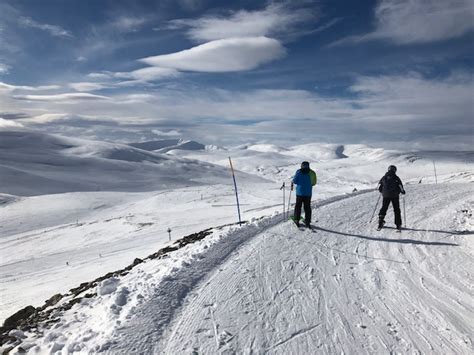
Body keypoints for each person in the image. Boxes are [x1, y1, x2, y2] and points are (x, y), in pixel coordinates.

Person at [378, 165, 405, 231]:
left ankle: (380, 222)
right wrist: (403, 192)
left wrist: (382, 192)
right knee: (396, 209)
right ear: (395, 170)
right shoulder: (396, 177)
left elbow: (379, 187)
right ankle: (398, 224)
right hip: (395, 196)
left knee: (384, 208)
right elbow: (400, 186)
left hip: (386, 195)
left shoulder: (384, 177)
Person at [291, 161, 317, 227]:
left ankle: (297, 220)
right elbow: (314, 183)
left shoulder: (298, 172)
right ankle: (307, 221)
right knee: (307, 207)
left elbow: (295, 181)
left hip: (299, 193)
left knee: (298, 206)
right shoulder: (312, 173)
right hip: (308, 193)